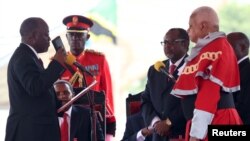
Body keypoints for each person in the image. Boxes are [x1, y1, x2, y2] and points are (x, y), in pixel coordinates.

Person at [171, 6, 242, 141]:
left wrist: (196, 134)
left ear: (203, 26)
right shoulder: (211, 47)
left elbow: (209, 93)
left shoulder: (217, 47)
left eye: (190, 26)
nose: (187, 30)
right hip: (207, 119)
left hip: (217, 119)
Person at [5, 17, 66, 141]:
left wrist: (61, 103)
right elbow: (35, 87)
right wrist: (56, 64)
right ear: (33, 36)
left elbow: (40, 91)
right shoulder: (23, 57)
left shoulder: (30, 56)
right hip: (29, 133)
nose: (49, 39)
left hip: (36, 132)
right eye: (46, 34)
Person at [60, 15, 116, 140]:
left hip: (94, 121)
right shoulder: (58, 63)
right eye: (72, 35)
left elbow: (107, 94)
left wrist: (110, 125)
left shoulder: (99, 60)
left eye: (79, 35)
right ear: (67, 37)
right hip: (69, 122)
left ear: (87, 37)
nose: (75, 39)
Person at [141, 28, 189, 141]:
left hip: (182, 134)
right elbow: (145, 101)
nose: (167, 46)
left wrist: (169, 122)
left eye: (172, 42)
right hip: (158, 136)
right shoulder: (155, 70)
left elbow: (193, 102)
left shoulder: (193, 67)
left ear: (185, 44)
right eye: (165, 42)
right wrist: (156, 122)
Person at [227, 32, 250, 124]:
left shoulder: (247, 72)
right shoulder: (234, 70)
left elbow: (244, 106)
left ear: (242, 47)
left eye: (228, 48)